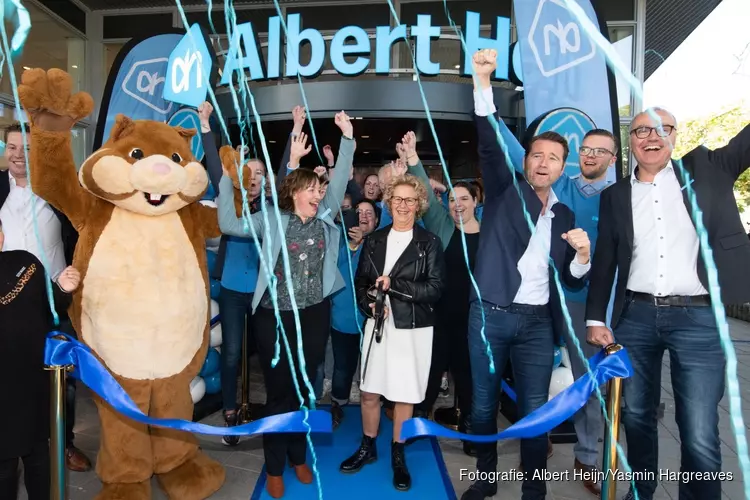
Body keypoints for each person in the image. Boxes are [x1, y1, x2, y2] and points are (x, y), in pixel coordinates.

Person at [586, 108, 750, 500]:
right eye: (641, 129)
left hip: (699, 318)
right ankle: (641, 491)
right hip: (636, 318)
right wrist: (595, 318)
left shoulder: (709, 168)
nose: (651, 136)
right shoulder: (615, 195)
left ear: (674, 136)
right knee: (636, 416)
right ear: (631, 142)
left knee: (698, 429)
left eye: (661, 128)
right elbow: (606, 259)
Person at [461, 49, 592, 500]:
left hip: (537, 325)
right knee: (481, 406)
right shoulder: (502, 187)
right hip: (489, 317)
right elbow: (487, 138)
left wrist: (583, 256)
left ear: (562, 166)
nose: (543, 162)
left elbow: (571, 281)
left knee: (536, 413)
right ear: (527, 160)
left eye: (553, 158)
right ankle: (485, 477)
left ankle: (534, 491)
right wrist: (482, 81)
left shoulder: (567, 212)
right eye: (536, 154)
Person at [217, 112, 354, 499]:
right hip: (273, 317)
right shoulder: (271, 219)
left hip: (314, 314)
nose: (318, 194)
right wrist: (230, 181)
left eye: (320, 190)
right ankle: (275, 464)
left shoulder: (325, 218)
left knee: (305, 388)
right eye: (311, 189)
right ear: (295, 192)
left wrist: (347, 140)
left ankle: (298, 455)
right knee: (278, 392)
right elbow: (228, 224)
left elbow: (340, 177)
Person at [490, 105, 620, 493]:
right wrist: (489, 109)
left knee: (588, 382)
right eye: (587, 149)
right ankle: (538, 438)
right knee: (535, 380)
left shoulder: (617, 200)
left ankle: (588, 456)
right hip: (539, 303)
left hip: (583, 305)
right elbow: (517, 153)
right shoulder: (557, 183)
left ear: (613, 160)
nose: (592, 155)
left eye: (601, 151)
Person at [339, 174, 445, 492]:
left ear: (419, 204)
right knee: (369, 391)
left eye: (409, 199)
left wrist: (394, 286)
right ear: (388, 203)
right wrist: (369, 304)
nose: (402, 205)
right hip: (378, 327)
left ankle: (398, 454)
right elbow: (361, 284)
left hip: (413, 329)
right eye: (396, 199)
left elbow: (436, 288)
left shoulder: (430, 242)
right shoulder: (374, 240)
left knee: (403, 395)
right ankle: (367, 446)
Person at [0, 122, 91, 472]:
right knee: (10, 379)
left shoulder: (57, 193)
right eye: (11, 147)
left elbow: (84, 228)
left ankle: (63, 443)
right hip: (7, 307)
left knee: (59, 380)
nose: (18, 154)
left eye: (25, 147)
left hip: (53, 302)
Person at [400, 132, 480, 456]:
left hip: (473, 321)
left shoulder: (488, 236)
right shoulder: (443, 225)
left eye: (464, 199)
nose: (457, 205)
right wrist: (413, 160)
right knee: (431, 373)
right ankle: (420, 420)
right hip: (440, 316)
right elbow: (428, 200)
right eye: (452, 200)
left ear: (476, 201)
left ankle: (471, 430)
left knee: (468, 378)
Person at [0, 219, 81, 499]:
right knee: (4, 472)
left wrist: (63, 290)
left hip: (34, 387)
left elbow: (52, 310)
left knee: (40, 462)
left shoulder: (27, 263)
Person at [327, 198, 380, 426]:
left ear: (377, 220)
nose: (363, 216)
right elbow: (333, 268)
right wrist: (353, 245)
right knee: (342, 367)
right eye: (359, 212)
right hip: (344, 318)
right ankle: (337, 404)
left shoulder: (383, 243)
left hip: (374, 319)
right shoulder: (339, 240)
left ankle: (375, 407)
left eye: (369, 213)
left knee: (375, 367)